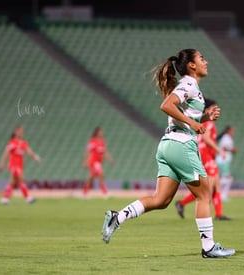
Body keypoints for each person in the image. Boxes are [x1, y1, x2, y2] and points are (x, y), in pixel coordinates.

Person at [100, 49, 235, 258]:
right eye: (201, 58)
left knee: (161, 200)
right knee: (204, 194)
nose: (205, 62)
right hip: (182, 144)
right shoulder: (189, 84)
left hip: (168, 144)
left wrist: (204, 118)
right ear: (191, 65)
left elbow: (183, 116)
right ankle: (208, 248)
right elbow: (166, 105)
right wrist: (193, 123)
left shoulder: (192, 88)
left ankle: (117, 218)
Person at [174, 98, 231, 220]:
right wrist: (219, 150)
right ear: (206, 110)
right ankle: (185, 205)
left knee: (216, 185)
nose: (216, 110)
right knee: (208, 190)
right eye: (213, 108)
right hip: (205, 157)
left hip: (205, 156)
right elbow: (206, 139)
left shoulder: (202, 122)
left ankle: (219, 214)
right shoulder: (209, 123)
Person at [0, 126, 41, 204]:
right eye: (20, 131)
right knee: (21, 180)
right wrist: (2, 163)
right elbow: (6, 154)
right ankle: (28, 198)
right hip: (14, 165)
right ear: (16, 132)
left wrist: (36, 157)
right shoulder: (12, 142)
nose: (21, 133)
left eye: (22, 131)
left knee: (13, 182)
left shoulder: (23, 143)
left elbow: (29, 152)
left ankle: (5, 199)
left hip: (20, 165)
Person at [82, 127, 114, 198]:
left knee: (91, 178)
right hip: (94, 162)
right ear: (96, 132)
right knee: (100, 175)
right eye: (100, 132)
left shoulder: (102, 142)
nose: (102, 133)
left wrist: (110, 160)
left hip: (99, 163)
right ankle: (105, 193)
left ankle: (85, 192)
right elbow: (88, 152)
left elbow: (104, 153)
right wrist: (85, 161)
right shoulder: (92, 141)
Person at [216, 125, 237, 202]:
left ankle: (222, 195)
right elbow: (224, 148)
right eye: (232, 131)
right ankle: (215, 190)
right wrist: (232, 149)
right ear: (228, 131)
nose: (234, 133)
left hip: (223, 160)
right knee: (227, 178)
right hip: (223, 160)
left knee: (228, 178)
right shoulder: (226, 137)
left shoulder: (227, 137)